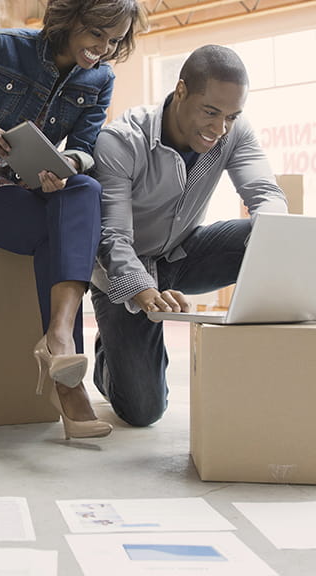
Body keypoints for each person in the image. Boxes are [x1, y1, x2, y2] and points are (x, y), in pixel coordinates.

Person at [0, 0, 147, 440]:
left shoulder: (101, 77)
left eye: (114, 41)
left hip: (28, 186)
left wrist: (65, 164)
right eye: (96, 34)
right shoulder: (3, 47)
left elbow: (85, 147)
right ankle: (70, 386)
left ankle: (59, 338)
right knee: (61, 230)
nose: (103, 48)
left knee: (83, 189)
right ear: (71, 19)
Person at [89, 44, 289, 427]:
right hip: (124, 274)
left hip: (182, 256)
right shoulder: (120, 142)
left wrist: (277, 242)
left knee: (268, 235)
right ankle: (111, 352)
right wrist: (144, 292)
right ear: (181, 91)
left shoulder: (234, 133)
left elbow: (266, 195)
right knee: (143, 411)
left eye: (231, 116)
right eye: (210, 112)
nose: (219, 128)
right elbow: (112, 237)